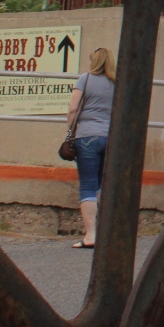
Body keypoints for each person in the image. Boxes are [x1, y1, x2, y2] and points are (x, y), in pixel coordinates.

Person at [66, 47, 116, 248]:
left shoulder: (85, 79)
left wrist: (71, 128)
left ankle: (91, 236)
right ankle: (106, 234)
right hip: (110, 137)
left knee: (87, 184)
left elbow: (73, 109)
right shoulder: (116, 82)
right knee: (102, 185)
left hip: (87, 136)